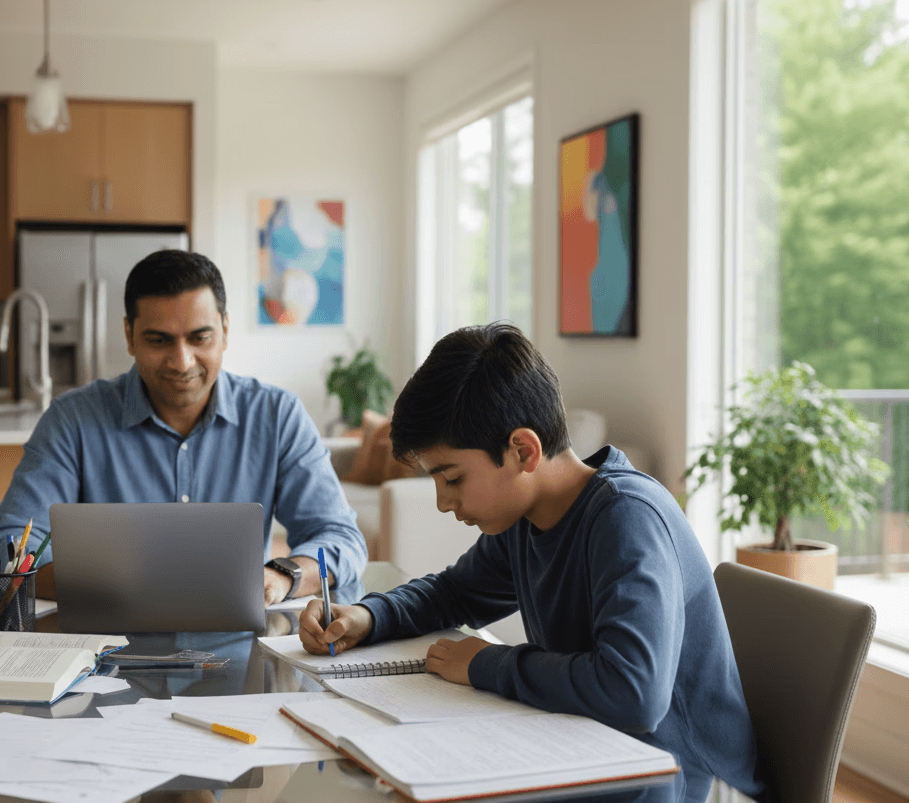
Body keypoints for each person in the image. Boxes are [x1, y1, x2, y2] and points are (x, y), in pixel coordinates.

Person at [298, 322, 767, 800]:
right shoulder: (526, 518)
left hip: (684, 781)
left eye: (452, 478)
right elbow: (454, 593)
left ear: (523, 450)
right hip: (592, 755)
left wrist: (487, 665)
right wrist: (368, 615)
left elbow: (633, 694)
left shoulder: (626, 519)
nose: (442, 502)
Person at [0, 249, 367, 605]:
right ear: (130, 336)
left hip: (240, 651)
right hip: (106, 653)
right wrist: (107, 583)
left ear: (225, 331)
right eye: (159, 340)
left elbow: (342, 539)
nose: (182, 362)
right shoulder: (72, 420)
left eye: (200, 337)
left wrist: (283, 575)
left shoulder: (277, 415)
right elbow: (6, 545)